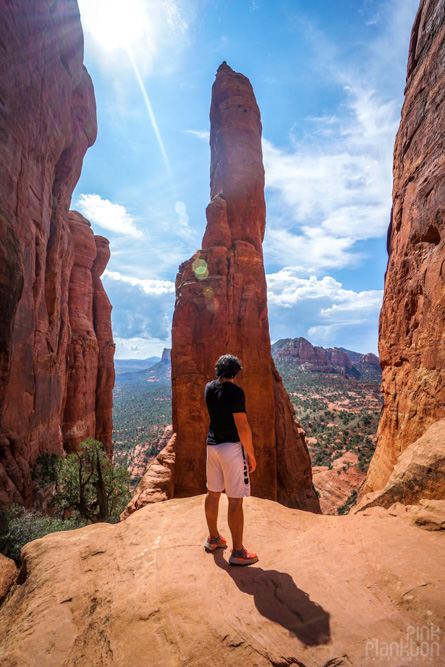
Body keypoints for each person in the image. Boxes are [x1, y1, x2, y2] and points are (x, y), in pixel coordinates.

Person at [203, 354, 258, 565]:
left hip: (212, 447)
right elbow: (242, 426)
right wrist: (250, 454)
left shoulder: (209, 388)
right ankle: (238, 552)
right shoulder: (236, 393)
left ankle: (214, 538)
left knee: (213, 493)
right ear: (235, 372)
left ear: (218, 370)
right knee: (235, 499)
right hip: (232, 450)